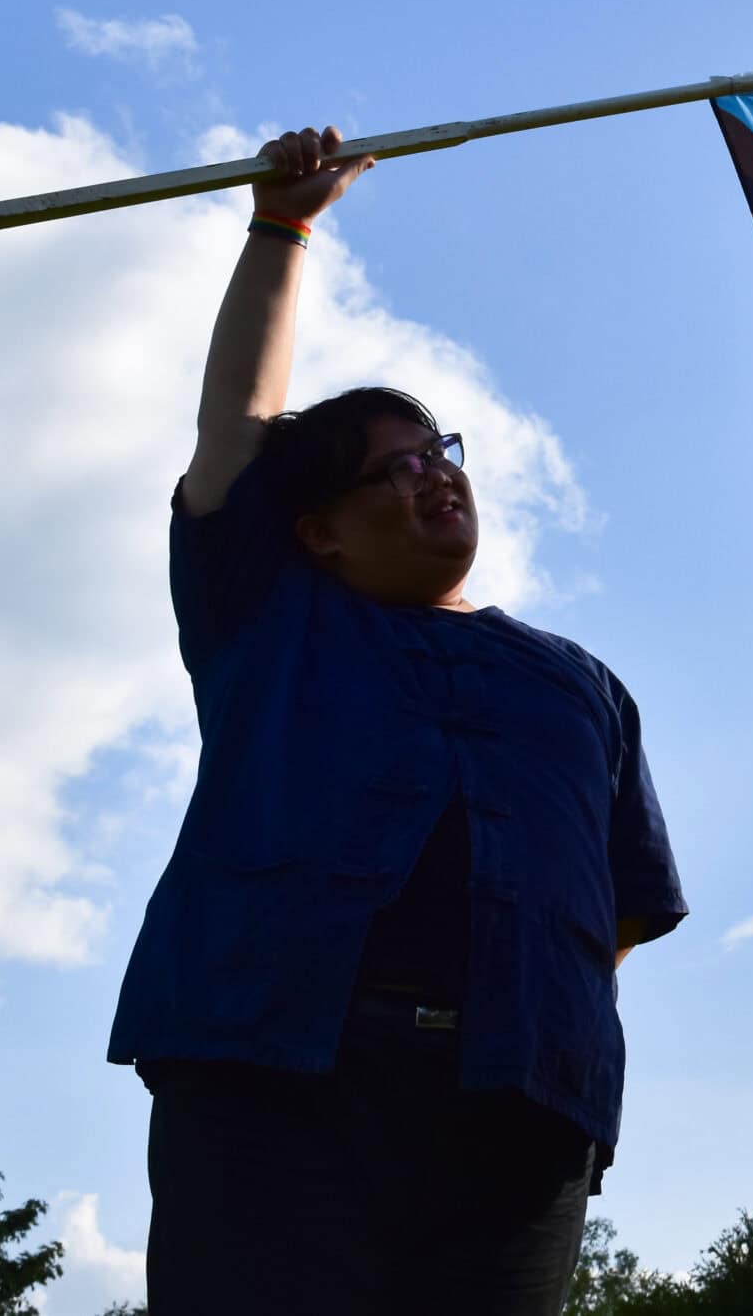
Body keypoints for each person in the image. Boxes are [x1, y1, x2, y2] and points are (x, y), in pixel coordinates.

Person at [107, 128, 687, 1314]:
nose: (435, 474)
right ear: (315, 530)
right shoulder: (270, 622)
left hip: (517, 1116)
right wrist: (284, 228)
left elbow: (618, 912)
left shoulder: (582, 687)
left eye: (441, 452)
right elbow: (235, 433)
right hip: (273, 1083)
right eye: (394, 468)